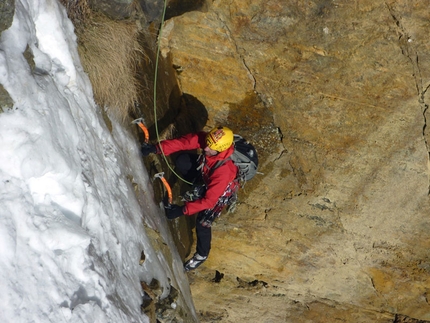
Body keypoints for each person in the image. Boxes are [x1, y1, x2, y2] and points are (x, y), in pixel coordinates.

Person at [141, 126, 239, 271]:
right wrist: (156, 148)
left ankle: (201, 255)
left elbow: (209, 201)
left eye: (210, 148)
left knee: (203, 223)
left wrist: (182, 210)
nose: (205, 148)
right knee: (183, 161)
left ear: (220, 150)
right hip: (206, 172)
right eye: (206, 144)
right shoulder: (210, 143)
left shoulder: (223, 172)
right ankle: (198, 187)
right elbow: (184, 142)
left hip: (220, 191)